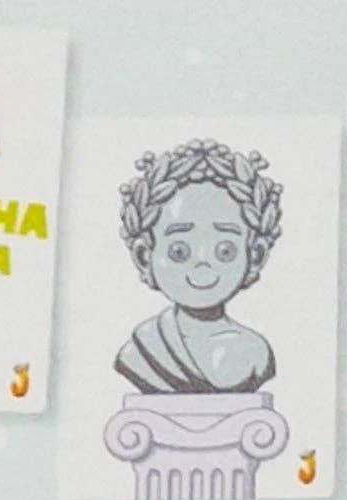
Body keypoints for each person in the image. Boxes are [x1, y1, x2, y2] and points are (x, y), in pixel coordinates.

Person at [115, 140, 283, 394]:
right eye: (179, 251)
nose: (202, 264)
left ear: (256, 256)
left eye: (225, 251)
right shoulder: (141, 351)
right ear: (144, 257)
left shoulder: (256, 354)